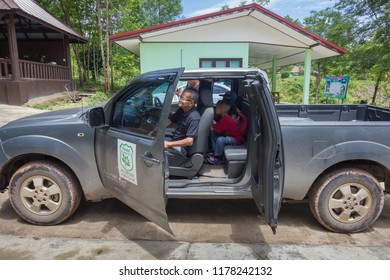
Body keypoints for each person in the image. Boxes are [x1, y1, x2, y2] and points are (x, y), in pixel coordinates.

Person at [164, 89, 200, 166]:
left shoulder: (194, 117)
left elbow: (189, 141)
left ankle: (164, 174)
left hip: (182, 148)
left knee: (156, 149)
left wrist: (168, 144)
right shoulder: (182, 110)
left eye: (183, 99)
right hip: (174, 139)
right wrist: (155, 130)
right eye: (181, 97)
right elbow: (170, 121)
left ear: (191, 103)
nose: (180, 100)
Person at [208, 100, 243, 165]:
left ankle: (218, 158)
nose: (215, 108)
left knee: (220, 140)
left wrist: (210, 122)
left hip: (236, 139)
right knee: (214, 134)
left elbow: (215, 129)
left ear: (222, 110)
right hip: (230, 136)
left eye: (217, 107)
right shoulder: (224, 117)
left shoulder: (226, 119)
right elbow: (217, 128)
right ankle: (215, 151)